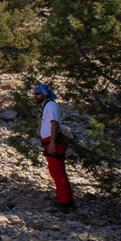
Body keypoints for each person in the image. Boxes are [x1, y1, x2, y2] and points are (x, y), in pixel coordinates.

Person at [33, 84, 75, 213]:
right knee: (59, 171)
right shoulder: (46, 106)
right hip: (50, 141)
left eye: (37, 93)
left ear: (45, 93)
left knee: (57, 172)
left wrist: (52, 143)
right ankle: (68, 200)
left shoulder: (50, 105)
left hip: (53, 142)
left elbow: (54, 124)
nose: (35, 96)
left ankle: (63, 203)